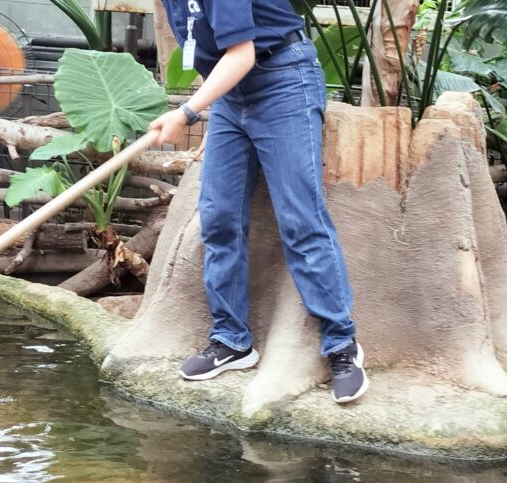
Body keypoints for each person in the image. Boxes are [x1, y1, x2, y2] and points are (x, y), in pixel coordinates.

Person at [149, 0, 368, 404]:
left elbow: (242, 52)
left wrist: (186, 112)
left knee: (301, 219)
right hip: (233, 96)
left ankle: (341, 346)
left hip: (283, 79)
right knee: (218, 219)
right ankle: (232, 340)